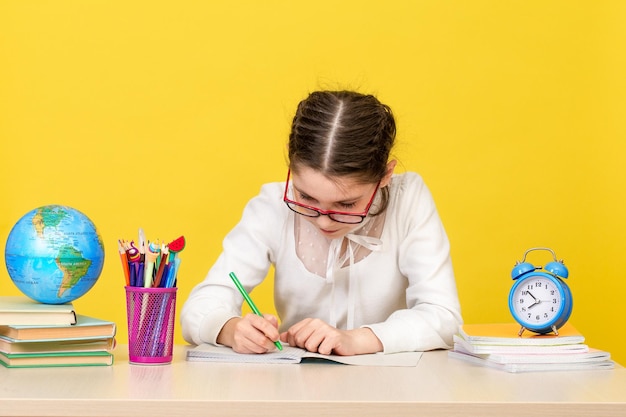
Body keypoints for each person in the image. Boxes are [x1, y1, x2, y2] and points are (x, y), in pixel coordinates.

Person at [181, 90, 462, 356]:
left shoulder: (408, 199)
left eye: (346, 204)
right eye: (305, 197)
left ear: (385, 175)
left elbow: (443, 317)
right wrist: (230, 330)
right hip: (297, 392)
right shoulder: (271, 205)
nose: (324, 220)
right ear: (291, 169)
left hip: (392, 393)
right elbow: (198, 308)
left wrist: (356, 339)